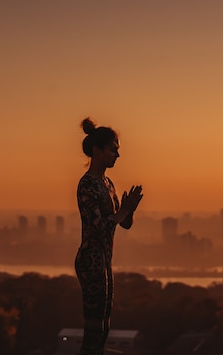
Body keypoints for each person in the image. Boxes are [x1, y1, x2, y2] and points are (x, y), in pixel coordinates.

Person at [75, 117, 144, 355]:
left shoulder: (108, 183)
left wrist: (129, 211)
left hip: (105, 261)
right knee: (93, 329)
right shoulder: (87, 185)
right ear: (97, 150)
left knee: (104, 326)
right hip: (91, 261)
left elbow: (122, 224)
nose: (117, 155)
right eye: (113, 149)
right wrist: (123, 211)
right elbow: (98, 226)